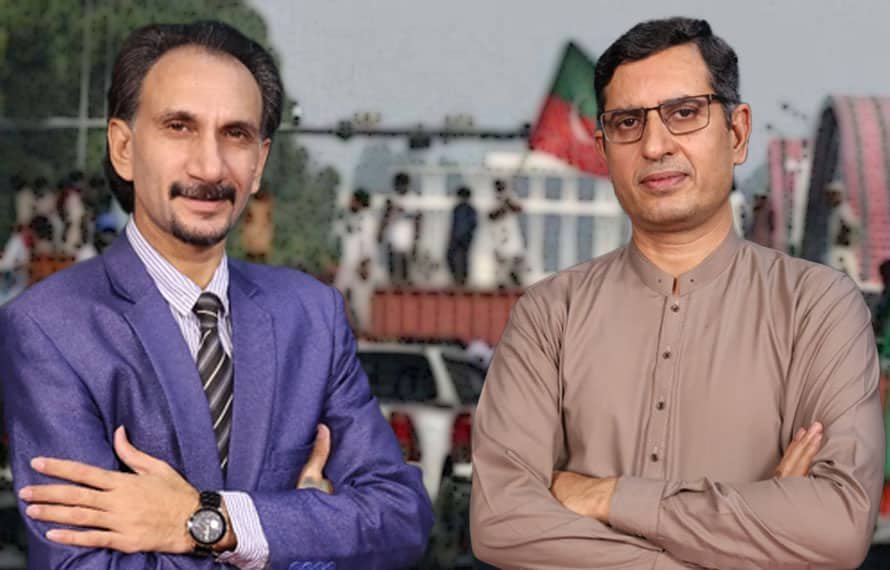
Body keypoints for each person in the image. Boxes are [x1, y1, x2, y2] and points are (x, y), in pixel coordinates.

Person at [0, 21, 431, 569]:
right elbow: (81, 565)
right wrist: (301, 525)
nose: (209, 167)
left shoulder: (310, 316)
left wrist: (210, 521)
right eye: (179, 127)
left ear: (260, 162)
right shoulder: (50, 327)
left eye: (236, 134)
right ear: (124, 148)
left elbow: (400, 520)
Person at [470, 17, 883, 570]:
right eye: (627, 122)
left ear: (737, 133)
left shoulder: (816, 307)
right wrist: (754, 534)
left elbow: (836, 525)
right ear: (603, 148)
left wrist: (607, 497)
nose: (655, 144)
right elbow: (501, 522)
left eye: (684, 113)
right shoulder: (550, 316)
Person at [334, 188, 378, 331]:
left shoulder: (368, 219)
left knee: (360, 302)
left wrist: (365, 265)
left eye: (352, 200)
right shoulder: (349, 217)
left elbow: (368, 243)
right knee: (337, 296)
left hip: (360, 264)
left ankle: (364, 331)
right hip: (348, 263)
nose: (349, 203)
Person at [379, 172, 421, 287]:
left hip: (407, 230)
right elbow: (385, 216)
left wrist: (417, 235)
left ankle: (405, 279)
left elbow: (418, 218)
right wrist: (381, 230)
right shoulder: (391, 198)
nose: (400, 187)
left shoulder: (413, 198)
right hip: (393, 230)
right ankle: (393, 279)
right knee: (392, 256)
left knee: (405, 257)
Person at [488, 178, 525, 288]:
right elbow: (491, 215)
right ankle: (501, 281)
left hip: (511, 232)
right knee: (501, 259)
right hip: (498, 234)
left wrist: (508, 201)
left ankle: (515, 277)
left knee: (516, 256)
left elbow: (518, 209)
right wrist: (501, 206)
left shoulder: (511, 196)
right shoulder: (493, 198)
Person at [825, 179, 862, 284]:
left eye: (833, 194)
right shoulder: (836, 209)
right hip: (839, 248)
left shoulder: (843, 209)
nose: (830, 197)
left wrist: (850, 242)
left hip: (842, 248)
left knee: (849, 275)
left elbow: (852, 226)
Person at [446, 186, 477, 287]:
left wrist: (467, 235)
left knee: (463, 258)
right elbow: (454, 223)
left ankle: (462, 280)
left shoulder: (470, 209)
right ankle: (456, 278)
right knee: (450, 256)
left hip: (464, 237)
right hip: (456, 236)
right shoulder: (457, 208)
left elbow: (473, 224)